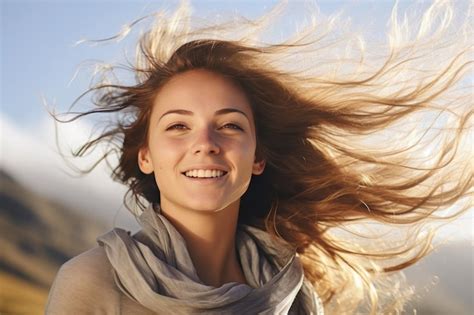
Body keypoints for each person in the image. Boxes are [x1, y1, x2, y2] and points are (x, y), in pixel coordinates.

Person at [45, 1, 472, 314]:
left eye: (230, 125)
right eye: (178, 126)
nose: (206, 142)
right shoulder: (94, 282)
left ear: (257, 158)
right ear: (146, 157)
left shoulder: (294, 293)